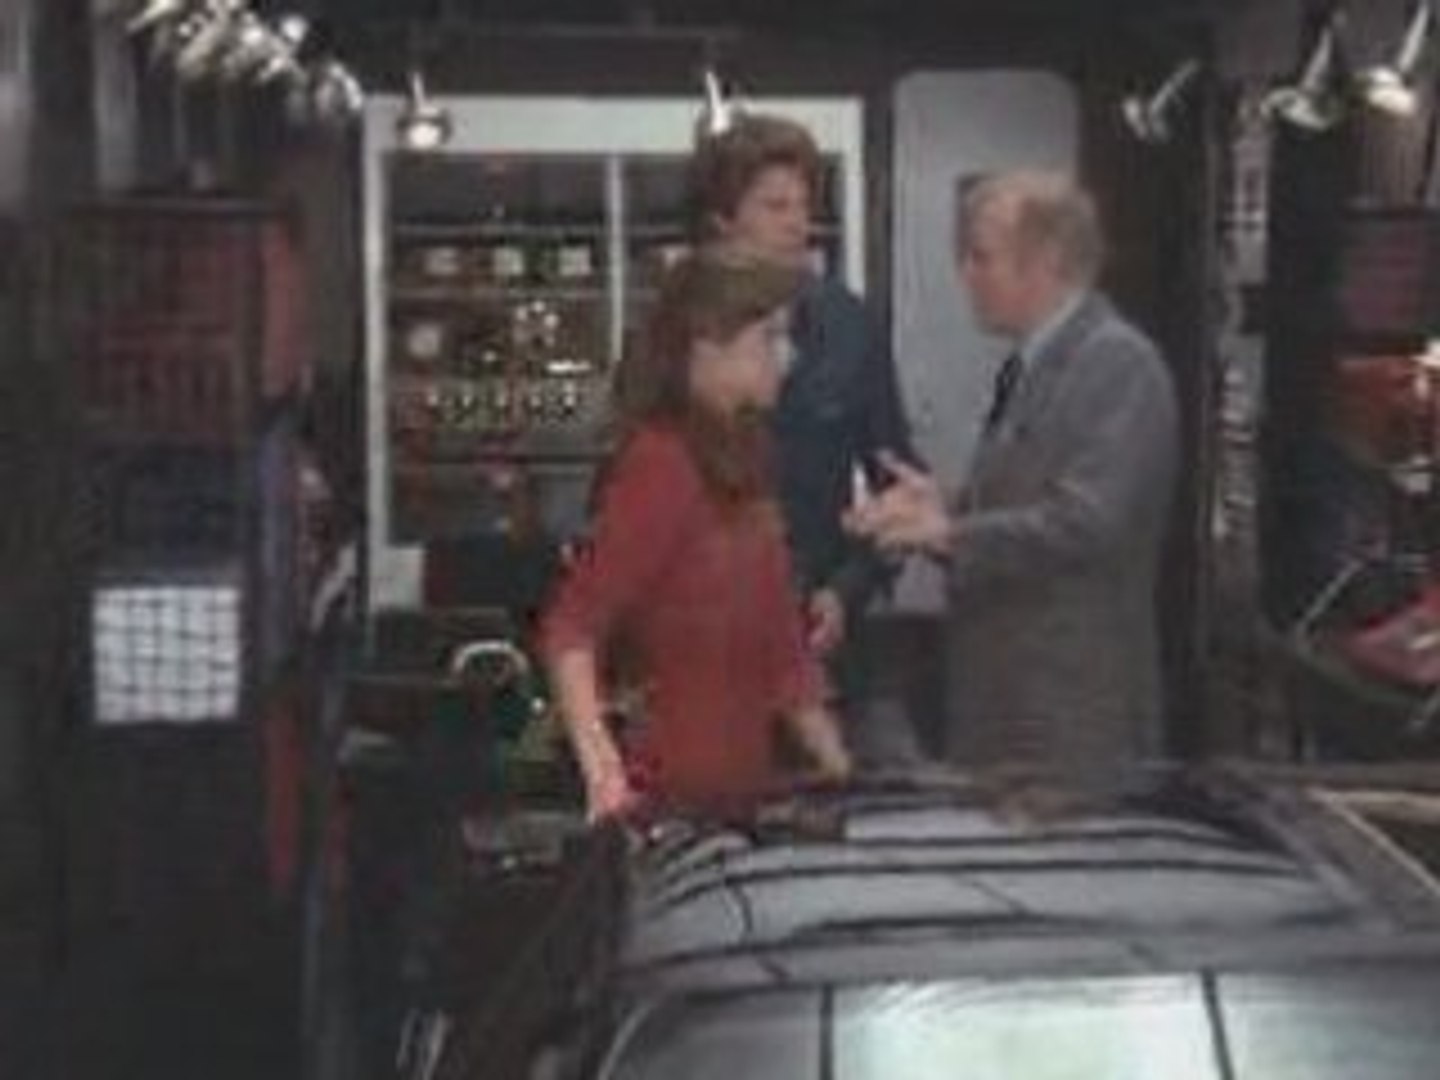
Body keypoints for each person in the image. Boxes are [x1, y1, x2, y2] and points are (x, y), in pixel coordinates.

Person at [846, 169, 1178, 785]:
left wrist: (949, 534)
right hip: (1005, 706)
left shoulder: (1117, 364)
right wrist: (944, 504)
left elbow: (1087, 523)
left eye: (981, 257)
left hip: (1069, 717)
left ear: (1046, 261)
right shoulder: (1031, 364)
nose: (966, 275)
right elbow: (1027, 498)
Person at [539, 250, 852, 822]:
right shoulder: (663, 464)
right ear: (708, 348)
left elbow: (786, 658)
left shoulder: (749, 468)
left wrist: (845, 780)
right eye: (768, 337)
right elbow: (573, 629)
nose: (787, 356)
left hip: (740, 799)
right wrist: (604, 775)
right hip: (664, 802)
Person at [688, 111, 918, 761]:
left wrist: (846, 591)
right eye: (775, 206)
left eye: (803, 206)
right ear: (723, 221)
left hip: (827, 641)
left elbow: (898, 485)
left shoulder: (849, 326)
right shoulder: (678, 332)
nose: (797, 224)